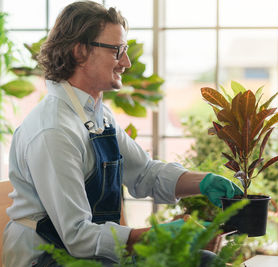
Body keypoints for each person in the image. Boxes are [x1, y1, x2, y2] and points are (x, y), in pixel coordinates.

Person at [1, 1, 243, 267]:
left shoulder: (98, 116)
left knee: (203, 260)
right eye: (118, 51)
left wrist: (205, 181)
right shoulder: (53, 131)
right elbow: (78, 236)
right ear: (80, 51)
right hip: (47, 259)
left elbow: (144, 173)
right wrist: (161, 235)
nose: (126, 62)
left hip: (94, 255)